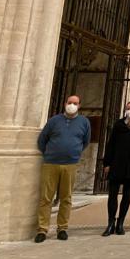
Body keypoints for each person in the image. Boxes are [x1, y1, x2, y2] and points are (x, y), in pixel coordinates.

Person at [34, 95, 91, 243]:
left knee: (66, 198)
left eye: (75, 103)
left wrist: (74, 152)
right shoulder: (54, 121)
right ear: (65, 103)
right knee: (46, 197)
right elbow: (42, 139)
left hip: (70, 164)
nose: (72, 105)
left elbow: (85, 141)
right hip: (51, 163)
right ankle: (42, 229)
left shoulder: (84, 122)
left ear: (79, 105)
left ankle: (63, 228)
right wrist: (49, 153)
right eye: (69, 102)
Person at [101, 101, 130, 237]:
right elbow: (111, 144)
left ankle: (120, 222)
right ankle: (110, 223)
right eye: (128, 108)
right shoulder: (118, 124)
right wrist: (107, 163)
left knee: (127, 195)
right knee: (113, 194)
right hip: (117, 163)